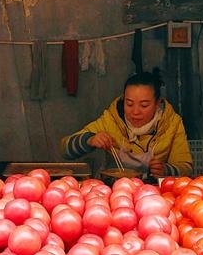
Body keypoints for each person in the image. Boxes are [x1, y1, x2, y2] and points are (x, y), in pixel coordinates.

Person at [61, 70, 193, 180]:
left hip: (153, 195)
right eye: (129, 104)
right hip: (114, 191)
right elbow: (65, 149)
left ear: (158, 103)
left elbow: (186, 168)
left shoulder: (172, 123)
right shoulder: (111, 119)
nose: (135, 112)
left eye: (144, 105)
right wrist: (89, 139)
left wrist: (166, 170)